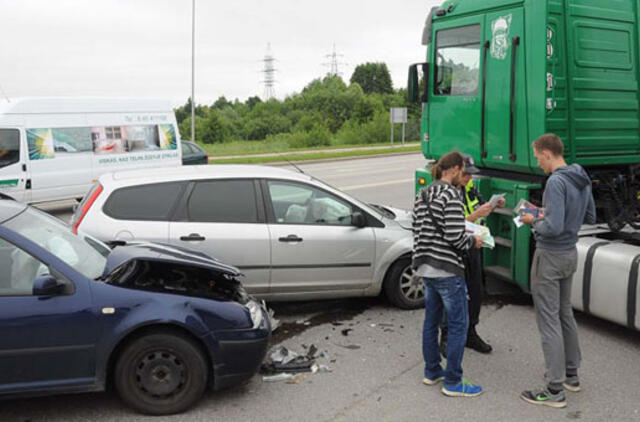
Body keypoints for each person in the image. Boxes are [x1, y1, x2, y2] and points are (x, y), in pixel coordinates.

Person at [519, 134, 596, 408]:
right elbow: (589, 217)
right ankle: (571, 375)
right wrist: (545, 213)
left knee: (548, 320)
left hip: (549, 256)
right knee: (565, 314)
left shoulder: (555, 181)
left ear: (548, 154)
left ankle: (553, 389)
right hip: (569, 254)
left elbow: (552, 227)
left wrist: (532, 220)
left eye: (538, 157)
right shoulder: (580, 177)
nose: (538, 162)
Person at [412, 151, 484, 397]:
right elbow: (455, 235)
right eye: (462, 170)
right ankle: (453, 381)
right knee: (457, 325)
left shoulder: (423, 193)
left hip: (425, 268)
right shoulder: (451, 195)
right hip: (447, 270)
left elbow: (416, 228)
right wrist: (473, 241)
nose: (463, 175)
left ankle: (432, 370)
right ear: (453, 169)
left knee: (431, 322)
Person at [439, 153, 503, 355]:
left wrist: (492, 206)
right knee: (452, 295)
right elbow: (447, 225)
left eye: (471, 175)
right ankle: (447, 336)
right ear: (456, 171)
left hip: (473, 246)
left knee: (476, 292)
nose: (469, 179)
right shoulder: (444, 193)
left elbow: (479, 208)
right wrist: (475, 215)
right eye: (467, 175)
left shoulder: (470, 189)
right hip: (454, 251)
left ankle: (470, 332)